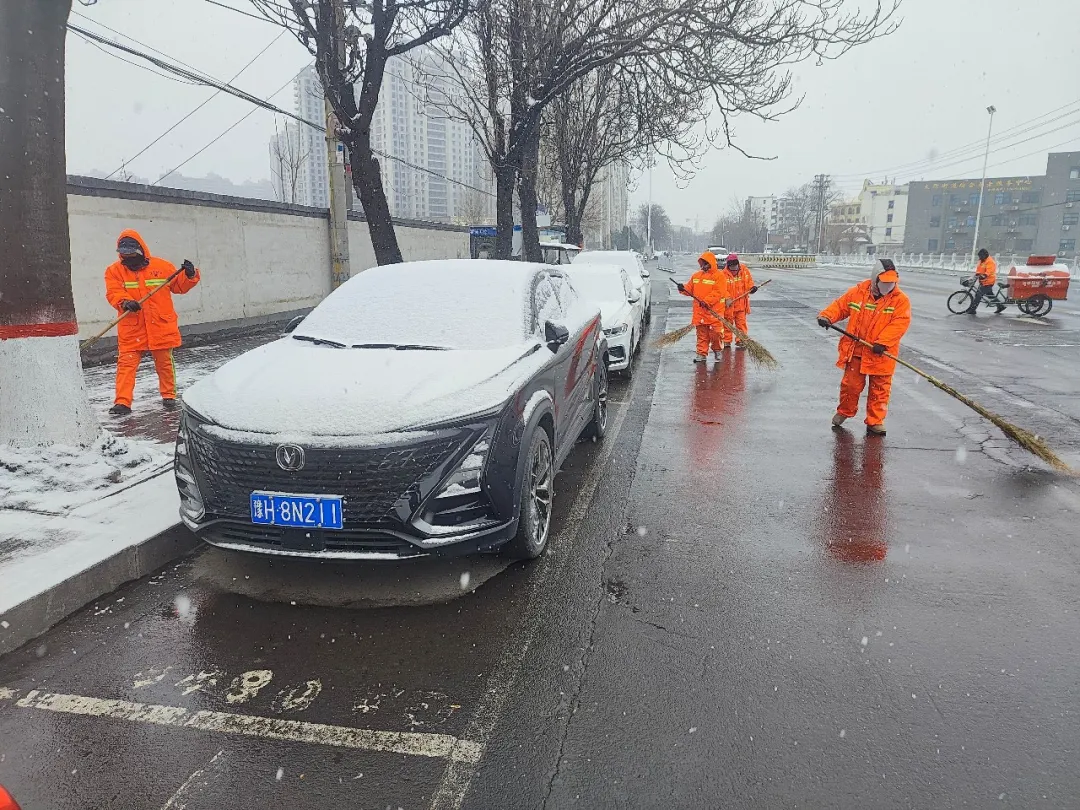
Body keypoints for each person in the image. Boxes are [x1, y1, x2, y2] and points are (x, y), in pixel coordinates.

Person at [104, 230, 201, 415]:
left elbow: (179, 286)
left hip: (160, 326)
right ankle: (122, 402)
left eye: (131, 254)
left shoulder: (162, 266)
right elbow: (113, 292)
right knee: (126, 366)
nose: (127, 259)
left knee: (164, 363)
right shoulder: (114, 271)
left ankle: (169, 396)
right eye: (124, 255)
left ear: (140, 250)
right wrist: (124, 302)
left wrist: (189, 274)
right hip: (133, 328)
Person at [816, 258, 911, 436]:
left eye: (891, 283)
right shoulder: (858, 292)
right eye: (884, 283)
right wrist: (827, 316)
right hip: (857, 350)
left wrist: (883, 342)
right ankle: (845, 411)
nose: (888, 287)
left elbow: (899, 324)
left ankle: (875, 421)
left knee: (879, 391)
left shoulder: (900, 300)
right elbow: (840, 306)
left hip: (881, 353)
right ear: (875, 279)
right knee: (850, 386)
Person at [677, 251, 731, 362]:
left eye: (705, 263)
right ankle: (701, 354)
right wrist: (682, 288)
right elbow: (689, 289)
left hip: (713, 312)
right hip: (700, 312)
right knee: (701, 335)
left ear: (710, 263)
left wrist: (707, 301)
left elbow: (718, 292)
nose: (703, 266)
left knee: (716, 334)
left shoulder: (719, 276)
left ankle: (717, 350)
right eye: (702, 264)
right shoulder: (696, 276)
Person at [720, 252, 759, 349]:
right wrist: (727, 298)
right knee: (727, 324)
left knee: (741, 324)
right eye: (732, 267)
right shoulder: (723, 275)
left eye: (736, 267)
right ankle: (727, 341)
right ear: (728, 266)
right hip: (729, 305)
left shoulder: (744, 271)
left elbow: (749, 282)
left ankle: (740, 340)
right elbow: (721, 289)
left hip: (741, 304)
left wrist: (752, 288)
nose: (734, 269)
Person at [966, 248, 1006, 314]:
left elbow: (989, 271)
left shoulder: (990, 261)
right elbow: (979, 269)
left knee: (978, 295)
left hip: (988, 281)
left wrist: (984, 275)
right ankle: (1000, 306)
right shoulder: (981, 260)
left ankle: (972, 310)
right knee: (990, 295)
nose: (980, 257)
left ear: (985, 255)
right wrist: (977, 275)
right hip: (983, 281)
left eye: (981, 256)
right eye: (979, 256)